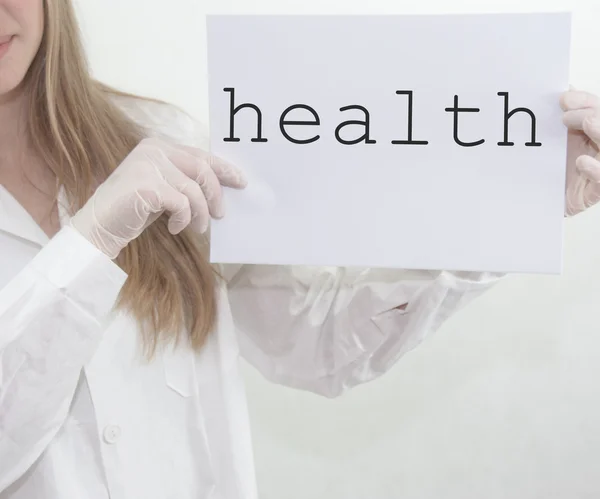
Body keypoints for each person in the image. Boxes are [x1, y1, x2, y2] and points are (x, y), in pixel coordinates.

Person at [0, 1, 598, 498]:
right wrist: (90, 241)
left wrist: (511, 205)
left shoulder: (159, 141)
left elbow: (316, 342)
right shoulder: (142, 176)